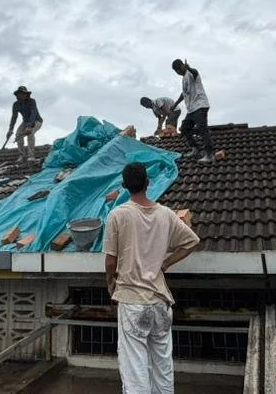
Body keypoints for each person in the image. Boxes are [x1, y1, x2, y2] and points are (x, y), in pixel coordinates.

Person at [104, 163, 201, 394]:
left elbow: (110, 261)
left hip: (133, 302)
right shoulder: (166, 214)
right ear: (148, 184)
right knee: (163, 367)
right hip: (160, 303)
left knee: (135, 370)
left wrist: (110, 284)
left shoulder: (118, 214)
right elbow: (192, 241)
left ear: (124, 186)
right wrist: (165, 263)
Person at [171, 58, 215, 163]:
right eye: (176, 71)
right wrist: (175, 104)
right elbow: (184, 94)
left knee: (202, 128)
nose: (178, 72)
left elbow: (195, 72)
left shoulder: (191, 73)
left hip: (200, 105)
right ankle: (195, 149)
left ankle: (209, 155)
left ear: (183, 65)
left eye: (179, 68)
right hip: (191, 109)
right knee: (185, 128)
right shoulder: (183, 79)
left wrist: (189, 68)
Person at [7, 85, 43, 163]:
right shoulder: (16, 104)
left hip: (36, 120)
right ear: (17, 95)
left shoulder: (32, 101)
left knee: (30, 133)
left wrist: (29, 126)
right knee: (18, 135)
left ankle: (31, 156)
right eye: (20, 94)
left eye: (24, 93)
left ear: (27, 94)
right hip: (25, 122)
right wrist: (10, 129)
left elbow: (33, 113)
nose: (22, 95)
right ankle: (22, 156)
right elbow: (14, 117)